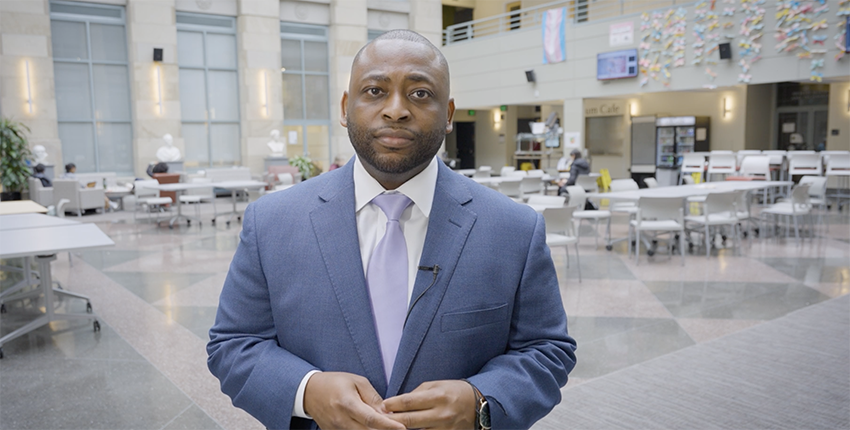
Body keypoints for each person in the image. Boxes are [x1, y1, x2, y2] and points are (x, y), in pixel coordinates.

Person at [207, 30, 576, 430]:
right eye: (375, 90)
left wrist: (480, 401)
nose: (396, 110)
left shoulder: (514, 230)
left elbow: (547, 349)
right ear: (346, 107)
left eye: (419, 93)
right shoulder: (272, 222)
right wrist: (307, 390)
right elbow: (233, 345)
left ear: (448, 113)